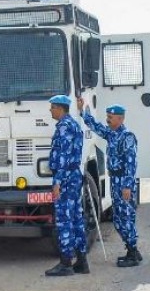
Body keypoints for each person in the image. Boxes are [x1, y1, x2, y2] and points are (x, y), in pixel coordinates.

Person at [78, 97, 142, 267]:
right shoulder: (112, 133)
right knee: (119, 217)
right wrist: (82, 113)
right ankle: (132, 250)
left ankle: (133, 253)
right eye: (107, 116)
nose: (108, 119)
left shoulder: (127, 136)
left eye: (111, 117)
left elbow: (131, 163)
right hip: (115, 179)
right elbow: (96, 127)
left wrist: (128, 185)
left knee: (125, 216)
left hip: (123, 181)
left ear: (120, 118)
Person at [45, 95, 88, 276]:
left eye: (52, 107)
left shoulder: (64, 127)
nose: (50, 110)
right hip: (74, 176)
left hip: (65, 178)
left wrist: (57, 182)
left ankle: (65, 263)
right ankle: (81, 262)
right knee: (77, 218)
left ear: (61, 109)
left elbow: (62, 157)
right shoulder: (74, 124)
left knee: (64, 220)